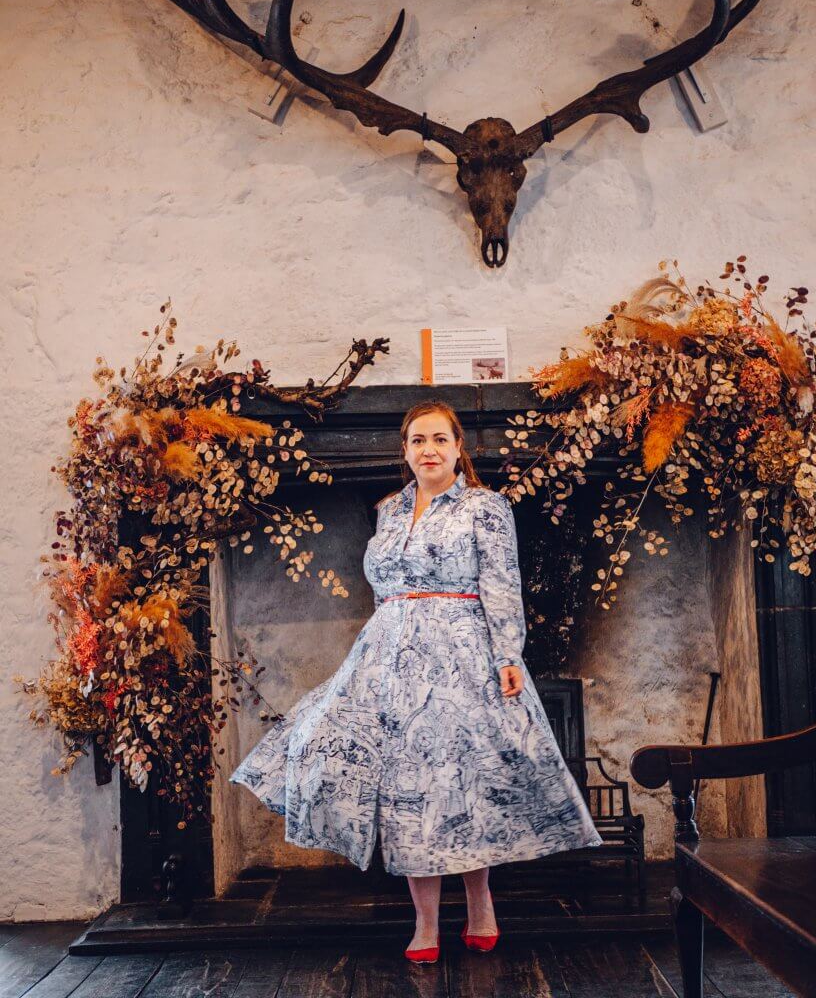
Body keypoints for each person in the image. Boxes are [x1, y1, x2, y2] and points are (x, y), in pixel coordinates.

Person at [230, 401, 602, 962]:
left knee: (460, 786)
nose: (428, 449)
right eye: (417, 440)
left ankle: (481, 907)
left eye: (439, 440)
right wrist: (377, 650)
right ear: (405, 450)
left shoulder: (486, 507)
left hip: (461, 658)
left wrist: (506, 655)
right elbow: (385, 591)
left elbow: (503, 585)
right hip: (387, 658)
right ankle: (424, 924)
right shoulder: (390, 509)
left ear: (457, 449)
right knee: (406, 790)